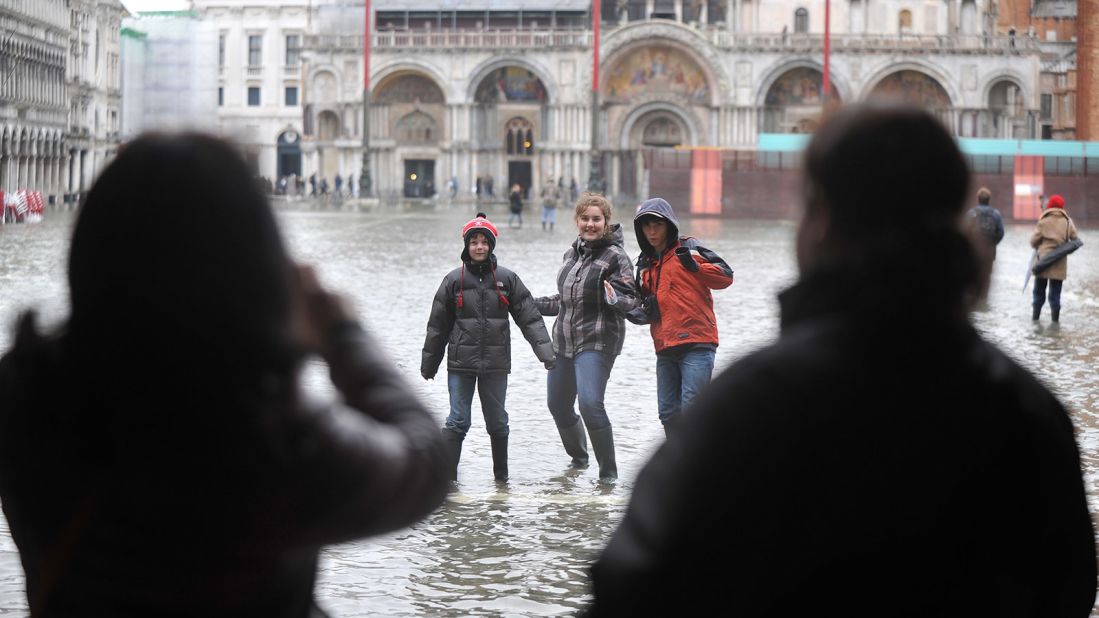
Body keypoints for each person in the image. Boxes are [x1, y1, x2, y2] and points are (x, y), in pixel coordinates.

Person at [586, 104, 1097, 615]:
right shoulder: (1030, 414)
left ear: (820, 222)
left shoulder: (749, 410)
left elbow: (633, 587)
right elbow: (1070, 590)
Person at [0, 133, 450, 618]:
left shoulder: (23, 393)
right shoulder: (268, 436)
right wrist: (342, 332)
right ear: (258, 264)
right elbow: (426, 462)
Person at [422, 213, 555, 482]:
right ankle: (447, 482)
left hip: (496, 364)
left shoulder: (507, 279)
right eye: (474, 242)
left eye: (484, 242)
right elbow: (438, 326)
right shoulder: (452, 281)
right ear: (466, 246)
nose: (480, 247)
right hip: (460, 365)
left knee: (498, 422)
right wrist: (429, 364)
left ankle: (501, 480)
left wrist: (546, 354)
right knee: (458, 421)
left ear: (491, 245)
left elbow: (529, 317)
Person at [535, 193, 640, 483]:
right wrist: (528, 304)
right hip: (564, 340)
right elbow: (564, 300)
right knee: (557, 404)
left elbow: (631, 302)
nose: (590, 224)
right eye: (585, 219)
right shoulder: (571, 254)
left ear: (606, 223)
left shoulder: (617, 257)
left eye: (596, 219)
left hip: (598, 340)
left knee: (590, 403)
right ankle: (579, 460)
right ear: (577, 221)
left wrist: (615, 298)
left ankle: (608, 474)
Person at [629, 197, 734, 434]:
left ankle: (699, 466)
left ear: (669, 225)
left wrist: (696, 266)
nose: (652, 231)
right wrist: (619, 304)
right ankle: (678, 463)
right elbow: (645, 309)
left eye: (657, 224)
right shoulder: (645, 263)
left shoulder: (689, 247)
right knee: (667, 413)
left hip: (697, 344)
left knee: (692, 413)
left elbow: (726, 276)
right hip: (664, 346)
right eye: (646, 225)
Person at [1030, 194, 1080, 323]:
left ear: (1050, 205)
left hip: (1043, 262)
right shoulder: (1068, 221)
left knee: (1038, 293)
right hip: (1059, 263)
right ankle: (1055, 323)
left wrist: (1041, 245)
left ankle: (1035, 320)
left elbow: (1033, 241)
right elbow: (1075, 238)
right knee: (1055, 296)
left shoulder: (1044, 220)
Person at [965, 186, 1005, 260]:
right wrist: (993, 243)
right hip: (990, 251)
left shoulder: (971, 213)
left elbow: (965, 231)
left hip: (974, 251)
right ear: (989, 199)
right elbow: (1001, 232)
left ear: (978, 199)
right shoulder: (996, 214)